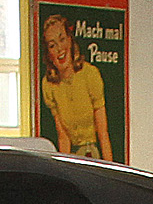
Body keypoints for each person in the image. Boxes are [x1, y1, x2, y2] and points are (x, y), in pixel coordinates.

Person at [38, 12, 112, 161]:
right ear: (48, 53)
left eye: (62, 39)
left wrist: (112, 174)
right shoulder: (48, 85)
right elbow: (63, 138)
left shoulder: (90, 74)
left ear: (70, 40)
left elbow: (103, 135)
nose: (60, 49)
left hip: (94, 157)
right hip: (72, 158)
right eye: (52, 45)